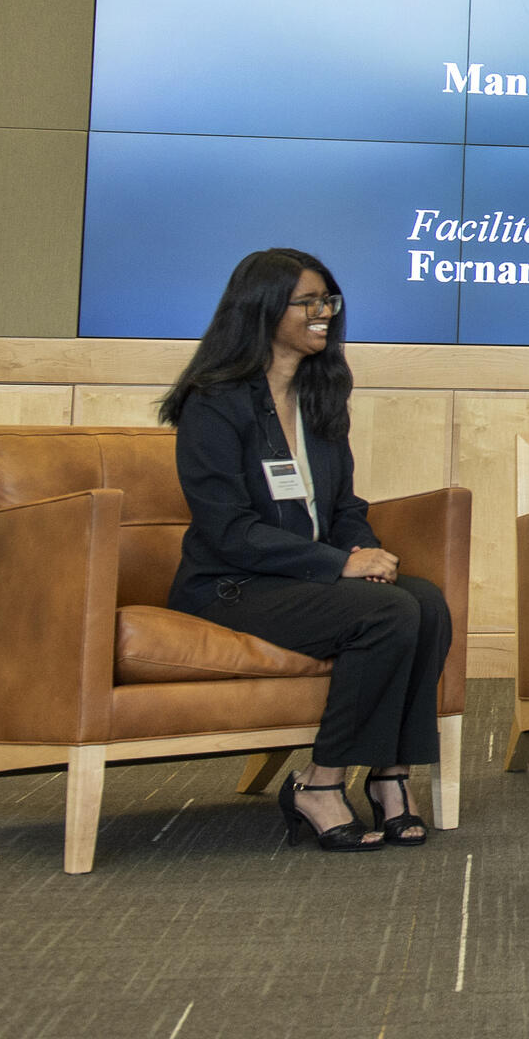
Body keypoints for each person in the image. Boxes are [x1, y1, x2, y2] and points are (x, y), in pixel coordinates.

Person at [162, 248, 452, 851]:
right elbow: (228, 529)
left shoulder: (320, 398)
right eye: (309, 303)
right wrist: (341, 564)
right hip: (230, 585)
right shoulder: (213, 402)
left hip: (305, 581)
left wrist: (365, 554)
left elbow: (343, 506)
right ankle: (319, 782)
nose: (324, 313)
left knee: (425, 602)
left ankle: (390, 777)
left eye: (329, 301)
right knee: (389, 612)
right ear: (262, 311)